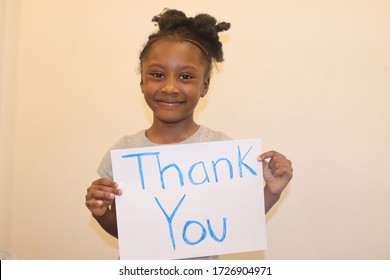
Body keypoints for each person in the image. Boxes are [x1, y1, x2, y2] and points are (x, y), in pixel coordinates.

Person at [85, 8, 293, 252]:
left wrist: (271, 192)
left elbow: (238, 221)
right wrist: (100, 213)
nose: (170, 87)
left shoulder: (222, 151)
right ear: (142, 81)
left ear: (204, 86)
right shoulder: (123, 151)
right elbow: (129, 232)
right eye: (157, 74)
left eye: (185, 76)